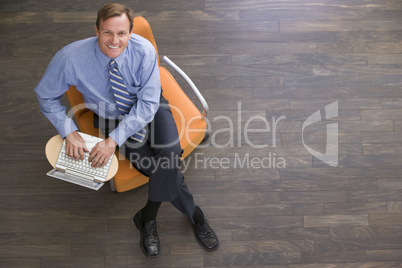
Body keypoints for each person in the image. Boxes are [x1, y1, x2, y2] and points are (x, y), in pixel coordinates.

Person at [34, 3, 219, 258]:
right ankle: (195, 215)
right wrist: (68, 130)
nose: (114, 41)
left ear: (130, 32)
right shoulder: (69, 58)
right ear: (96, 29)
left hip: (148, 107)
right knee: (158, 168)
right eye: (107, 32)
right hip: (110, 116)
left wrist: (112, 142)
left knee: (169, 154)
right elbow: (45, 97)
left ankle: (148, 216)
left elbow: (148, 105)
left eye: (121, 33)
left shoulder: (143, 50)